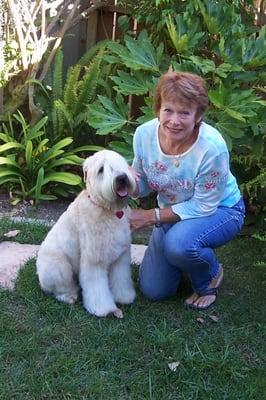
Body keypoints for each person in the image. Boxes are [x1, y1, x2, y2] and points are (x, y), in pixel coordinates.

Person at [130, 71, 245, 310]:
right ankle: (183, 257)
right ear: (158, 110)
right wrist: (123, 183)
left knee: (179, 245)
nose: (174, 120)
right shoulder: (143, 135)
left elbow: (203, 205)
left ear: (198, 116)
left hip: (220, 210)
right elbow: (140, 186)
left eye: (184, 113)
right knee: (154, 290)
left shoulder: (212, 148)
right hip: (173, 211)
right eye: (168, 110)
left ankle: (210, 274)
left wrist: (151, 217)